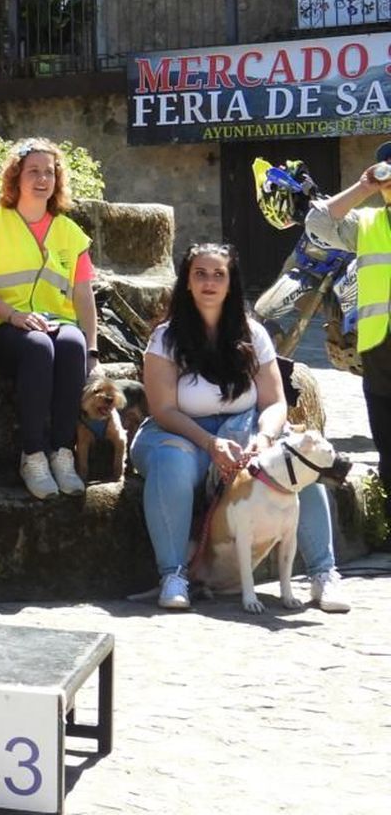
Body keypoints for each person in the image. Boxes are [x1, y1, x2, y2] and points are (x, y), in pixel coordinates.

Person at [133, 243, 348, 612]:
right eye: (200, 274)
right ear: (186, 281)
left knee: (299, 462)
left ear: (232, 283)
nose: (209, 282)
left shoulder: (253, 333)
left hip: (246, 429)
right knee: (173, 464)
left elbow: (275, 402)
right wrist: (210, 442)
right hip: (180, 432)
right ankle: (174, 574)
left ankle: (322, 574)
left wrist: (265, 439)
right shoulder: (165, 338)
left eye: (219, 274)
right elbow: (164, 409)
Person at [0, 137, 97, 501]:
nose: (42, 179)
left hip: (55, 322)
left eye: (49, 173)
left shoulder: (70, 232)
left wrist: (92, 348)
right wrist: (15, 316)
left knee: (71, 344)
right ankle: (33, 454)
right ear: (16, 178)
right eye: (33, 171)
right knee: (38, 347)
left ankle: (62, 452)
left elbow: (83, 295)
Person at [307, 142, 391, 544]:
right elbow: (318, 225)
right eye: (387, 171)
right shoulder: (369, 222)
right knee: (388, 450)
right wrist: (362, 188)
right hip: (380, 351)